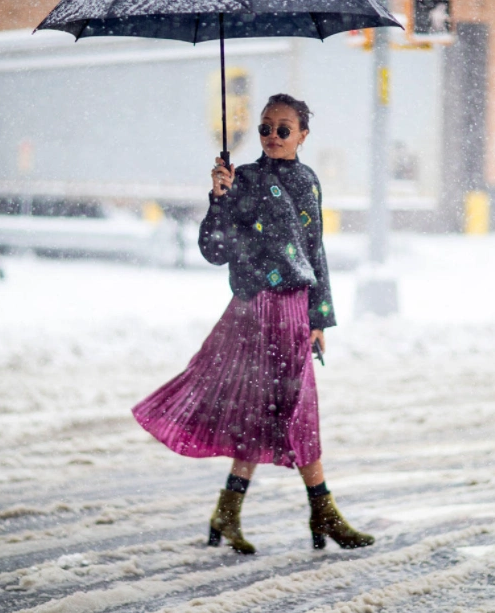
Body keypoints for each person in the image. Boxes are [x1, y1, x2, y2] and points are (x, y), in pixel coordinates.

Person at [131, 94, 374, 555]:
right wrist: (219, 198)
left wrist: (319, 318)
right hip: (256, 309)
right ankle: (321, 511)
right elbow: (214, 250)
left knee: (270, 410)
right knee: (288, 410)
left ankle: (231, 510)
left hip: (294, 309)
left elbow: (314, 250)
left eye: (284, 129)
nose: (272, 136)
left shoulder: (308, 180)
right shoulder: (242, 179)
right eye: (265, 128)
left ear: (303, 135)